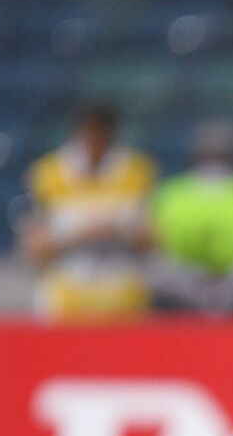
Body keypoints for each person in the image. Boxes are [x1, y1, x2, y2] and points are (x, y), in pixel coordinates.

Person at [18, 102, 157, 322]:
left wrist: (119, 231)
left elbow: (152, 241)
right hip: (65, 301)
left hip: (124, 302)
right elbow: (34, 248)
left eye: (100, 133)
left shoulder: (137, 172)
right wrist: (82, 234)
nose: (94, 141)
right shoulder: (48, 174)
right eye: (89, 133)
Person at [149, 119, 233, 313]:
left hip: (179, 305)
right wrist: (226, 294)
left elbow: (156, 262)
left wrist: (194, 290)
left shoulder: (170, 194)